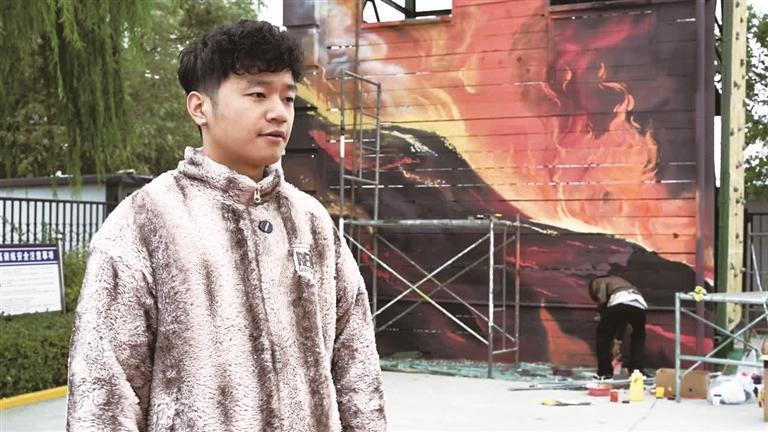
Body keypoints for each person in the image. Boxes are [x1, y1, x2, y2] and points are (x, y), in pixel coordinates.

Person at [66, 20, 386, 431]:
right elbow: (105, 393)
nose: (279, 112)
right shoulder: (144, 223)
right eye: (258, 94)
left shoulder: (311, 222)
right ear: (199, 107)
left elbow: (357, 365)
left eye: (288, 98)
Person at [588, 275, 647, 379]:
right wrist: (617, 342)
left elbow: (602, 299)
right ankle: (637, 370)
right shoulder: (619, 280)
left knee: (603, 337)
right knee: (638, 337)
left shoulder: (598, 281)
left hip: (619, 302)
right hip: (639, 304)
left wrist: (601, 313)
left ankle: (604, 372)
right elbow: (622, 321)